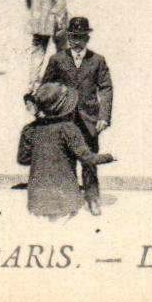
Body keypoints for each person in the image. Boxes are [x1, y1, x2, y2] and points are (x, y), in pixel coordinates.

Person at [39, 16, 113, 215]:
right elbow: (46, 86)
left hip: (89, 120)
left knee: (89, 160)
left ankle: (92, 198)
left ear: (87, 38)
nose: (77, 42)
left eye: (81, 37)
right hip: (63, 119)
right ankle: (68, 200)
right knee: (65, 160)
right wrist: (46, 112)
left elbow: (106, 88)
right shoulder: (57, 60)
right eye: (73, 37)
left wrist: (103, 117)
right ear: (68, 38)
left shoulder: (97, 60)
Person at [18, 81, 114, 219]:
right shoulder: (68, 129)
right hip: (65, 199)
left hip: (37, 199)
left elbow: (23, 159)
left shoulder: (29, 130)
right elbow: (87, 158)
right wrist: (109, 157)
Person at [25, 0, 69, 90]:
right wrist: (62, 26)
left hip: (37, 21)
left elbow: (29, 2)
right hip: (54, 21)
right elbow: (61, 7)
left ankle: (33, 84)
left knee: (37, 52)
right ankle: (63, 81)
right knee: (61, 51)